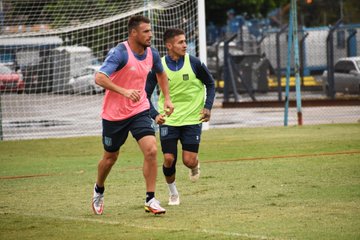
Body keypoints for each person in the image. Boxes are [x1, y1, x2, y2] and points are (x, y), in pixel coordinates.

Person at [92, 15, 174, 215]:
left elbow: (161, 74)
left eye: (150, 30)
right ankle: (99, 189)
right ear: (133, 33)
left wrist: (168, 98)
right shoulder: (119, 53)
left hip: (139, 110)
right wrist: (125, 91)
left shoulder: (152, 54)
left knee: (152, 150)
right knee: (110, 157)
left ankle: (151, 199)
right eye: (146, 31)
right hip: (114, 115)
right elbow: (99, 78)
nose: (150, 35)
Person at [146, 28, 215, 206]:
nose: (185, 45)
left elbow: (210, 83)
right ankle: (173, 193)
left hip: (193, 118)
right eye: (180, 42)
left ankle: (194, 165)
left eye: (185, 41)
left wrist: (207, 107)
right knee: (169, 159)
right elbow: (145, 95)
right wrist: (155, 115)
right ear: (169, 45)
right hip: (170, 120)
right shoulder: (158, 67)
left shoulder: (194, 63)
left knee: (188, 160)